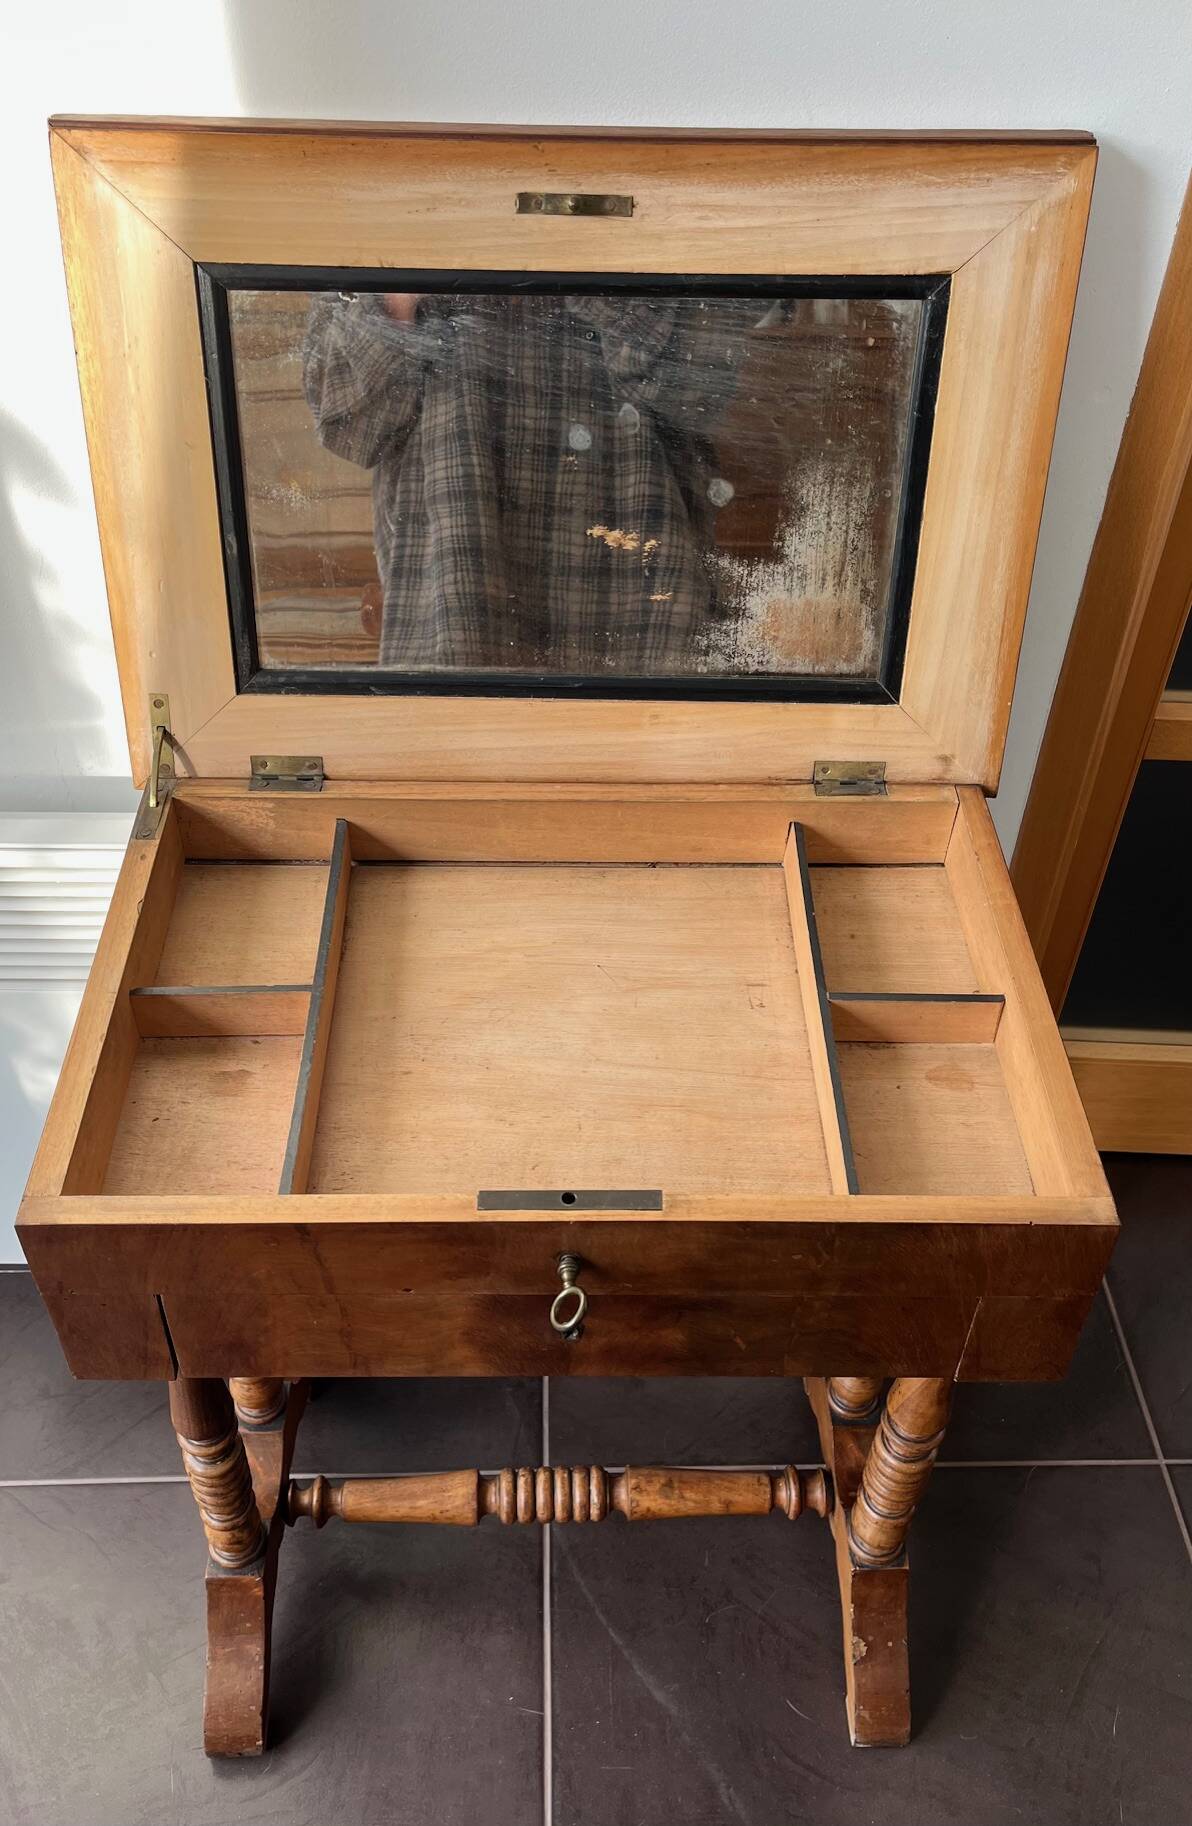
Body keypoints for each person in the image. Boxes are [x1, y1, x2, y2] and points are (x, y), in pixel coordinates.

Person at [303, 290, 753, 673]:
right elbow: (347, 424)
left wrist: (581, 258)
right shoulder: (389, 210)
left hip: (645, 603)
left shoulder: (663, 211)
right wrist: (406, 287)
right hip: (461, 597)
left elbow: (705, 391)